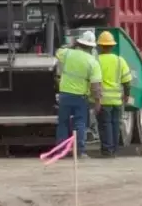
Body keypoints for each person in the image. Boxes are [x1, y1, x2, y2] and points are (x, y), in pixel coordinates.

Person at [55, 31, 102, 159]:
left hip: (65, 95)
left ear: (79, 42)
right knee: (80, 124)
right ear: (92, 47)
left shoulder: (68, 54)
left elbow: (57, 52)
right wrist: (97, 102)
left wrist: (72, 45)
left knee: (63, 123)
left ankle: (61, 151)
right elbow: (95, 86)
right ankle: (80, 151)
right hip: (80, 97)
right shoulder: (92, 62)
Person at [95, 30, 134, 157]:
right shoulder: (119, 61)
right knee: (115, 124)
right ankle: (114, 149)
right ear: (112, 46)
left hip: (102, 101)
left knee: (105, 125)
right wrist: (127, 95)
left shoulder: (96, 61)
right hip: (117, 100)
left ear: (100, 46)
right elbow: (127, 81)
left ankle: (107, 150)